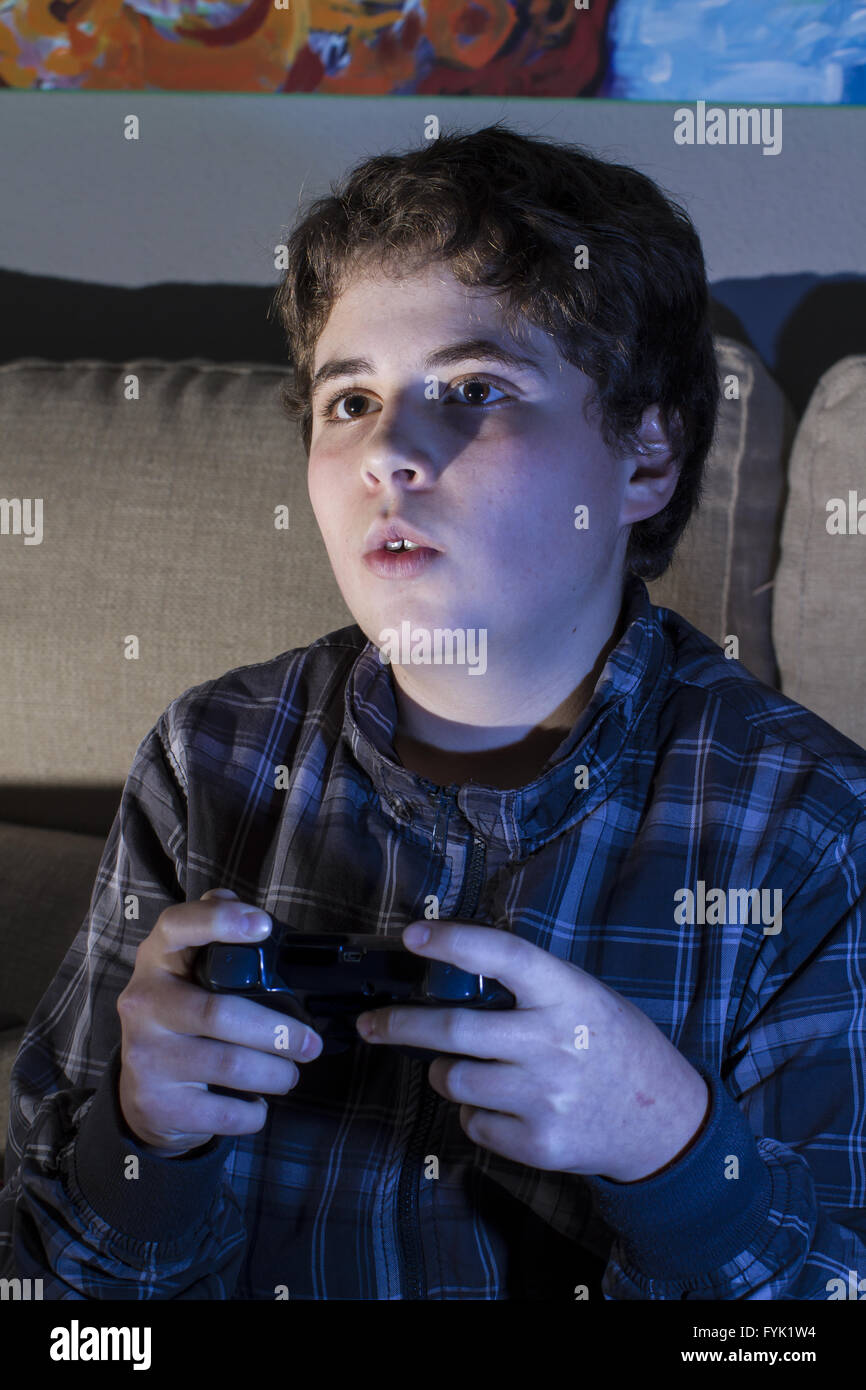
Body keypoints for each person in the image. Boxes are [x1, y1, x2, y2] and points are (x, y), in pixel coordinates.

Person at [2, 122, 865, 1300]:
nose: (388, 452)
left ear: (646, 457)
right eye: (347, 399)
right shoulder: (210, 758)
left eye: (471, 388)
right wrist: (144, 1140)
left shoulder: (815, 831)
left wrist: (669, 1150)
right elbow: (57, 1306)